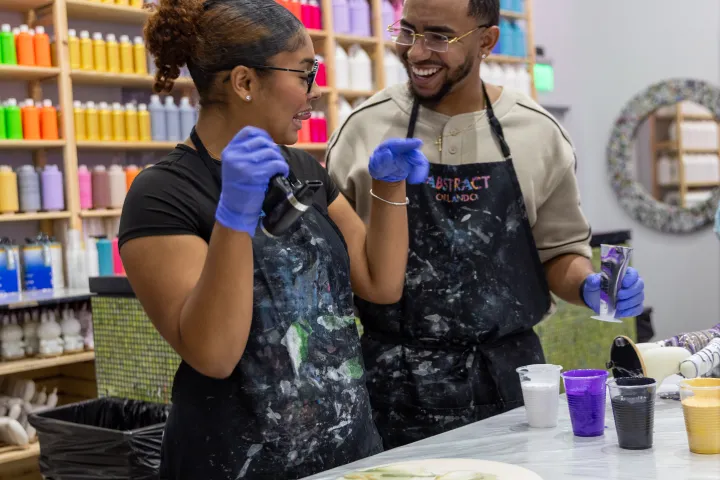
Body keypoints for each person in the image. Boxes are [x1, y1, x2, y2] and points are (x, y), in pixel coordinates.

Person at [118, 0, 429, 478]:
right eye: (305, 73)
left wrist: (388, 187)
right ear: (244, 82)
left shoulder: (303, 169)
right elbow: (214, 354)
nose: (315, 90)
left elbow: (380, 283)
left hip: (344, 452)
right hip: (234, 462)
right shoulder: (162, 194)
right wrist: (234, 217)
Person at [326, 0, 646, 449]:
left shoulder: (536, 132)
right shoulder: (364, 129)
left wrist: (590, 284)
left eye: (439, 36)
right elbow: (337, 265)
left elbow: (559, 253)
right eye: (408, 31)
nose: (417, 52)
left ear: (487, 40)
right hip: (392, 387)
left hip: (512, 383)